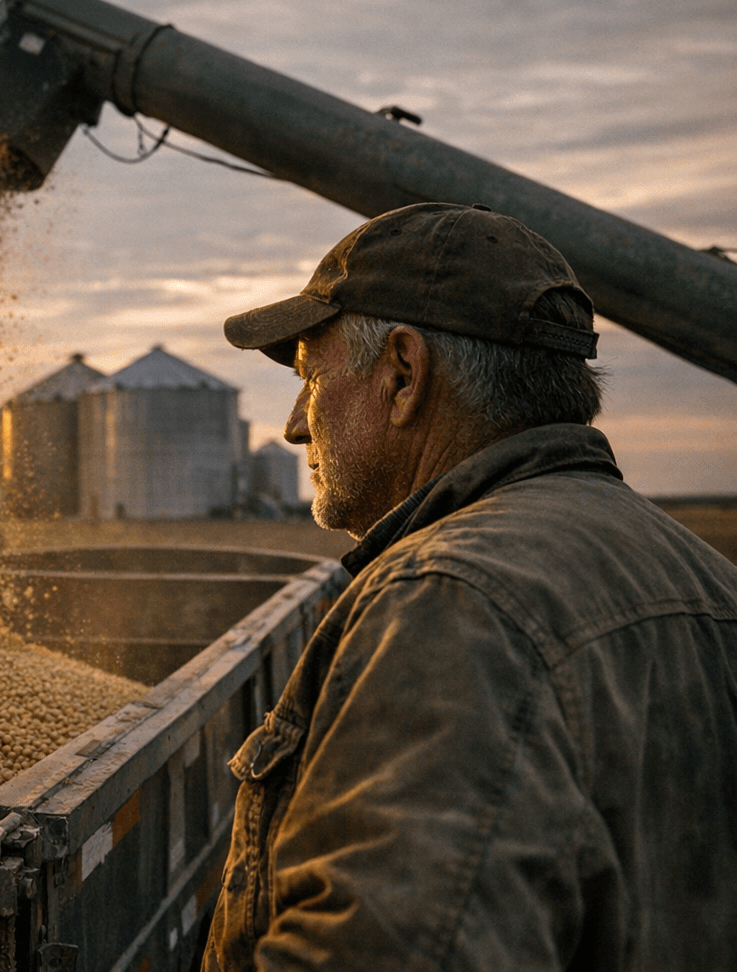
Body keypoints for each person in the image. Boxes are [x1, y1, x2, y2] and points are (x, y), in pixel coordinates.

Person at [205, 202, 737, 970]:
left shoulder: (448, 601)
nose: (295, 427)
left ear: (403, 374)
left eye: (309, 376)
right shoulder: (710, 581)